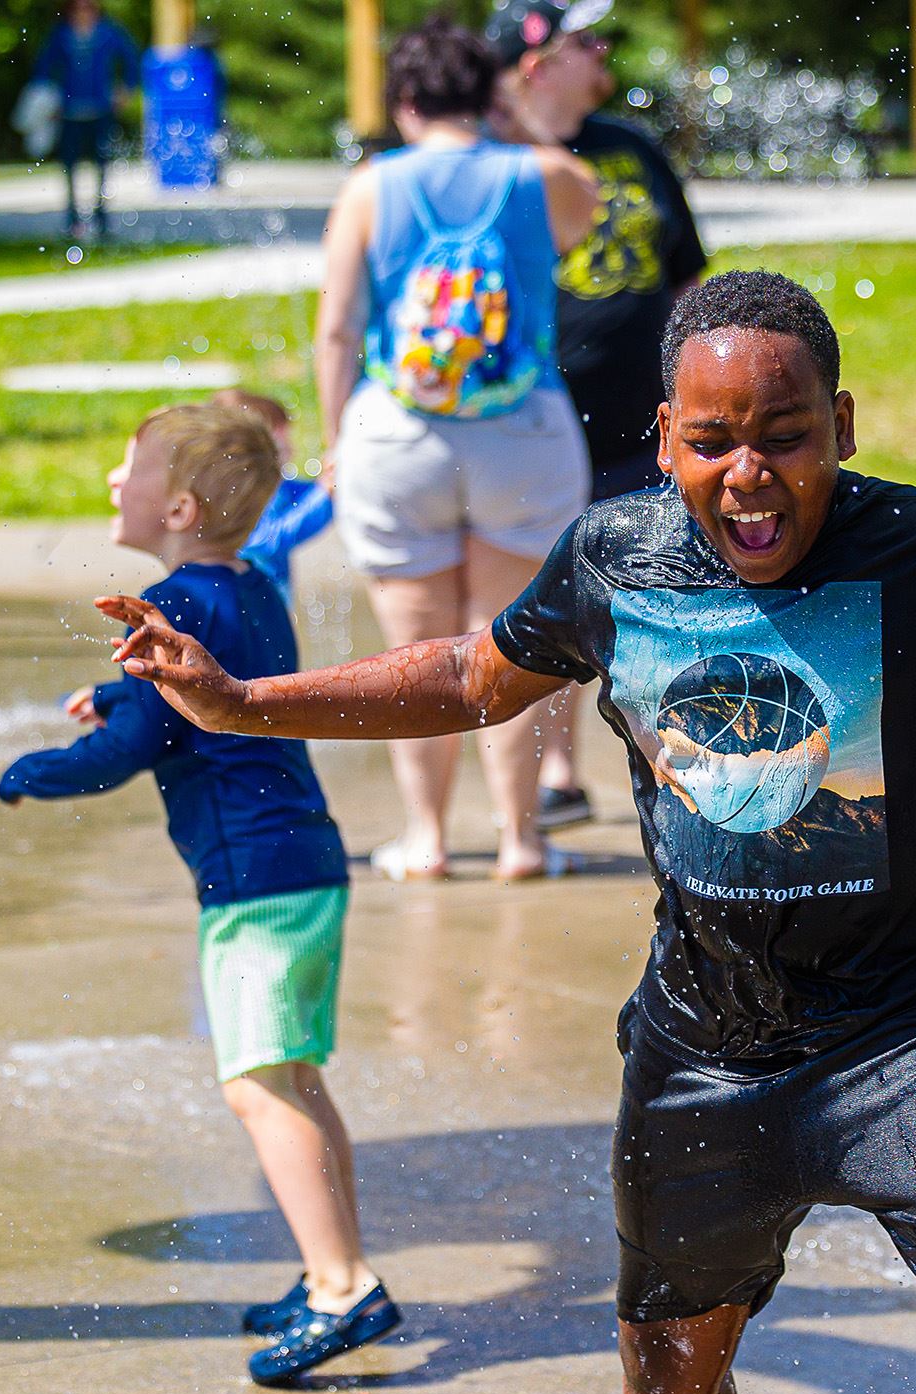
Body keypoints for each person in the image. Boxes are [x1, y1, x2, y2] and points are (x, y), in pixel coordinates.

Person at [95, 269, 916, 1394]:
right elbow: (472, 676)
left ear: (840, 429)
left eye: (785, 438)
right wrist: (244, 704)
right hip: (705, 1044)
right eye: (711, 442)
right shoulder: (613, 556)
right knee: (664, 1373)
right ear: (664, 440)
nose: (749, 473)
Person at [0, 404, 395, 1387]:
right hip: (298, 862)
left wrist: (35, 770)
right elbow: (201, 701)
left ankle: (346, 1286)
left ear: (175, 504)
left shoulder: (174, 601)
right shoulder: (243, 588)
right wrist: (128, 693)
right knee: (291, 1075)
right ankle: (324, 1268)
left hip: (255, 884)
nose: (108, 484)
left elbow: (132, 752)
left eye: (124, 469)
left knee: (260, 1082)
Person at [313, 19, 598, 883]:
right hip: (523, 434)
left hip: (400, 435)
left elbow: (336, 329)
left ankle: (428, 839)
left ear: (404, 102)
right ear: (491, 94)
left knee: (416, 648)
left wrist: (335, 443)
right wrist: (522, 125)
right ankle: (522, 839)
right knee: (510, 645)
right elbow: (581, 217)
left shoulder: (370, 187)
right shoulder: (544, 176)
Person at [489, 0, 711, 834]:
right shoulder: (496, 159)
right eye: (587, 41)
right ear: (536, 62)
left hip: (636, 420)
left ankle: (684, 757)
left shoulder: (631, 149)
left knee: (660, 589)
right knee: (540, 601)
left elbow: (686, 274)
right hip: (527, 425)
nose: (605, 53)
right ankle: (555, 773)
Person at [30, 0, 142, 241]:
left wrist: (126, 90)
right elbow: (43, 68)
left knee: (101, 166)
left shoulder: (108, 32)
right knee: (69, 166)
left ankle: (101, 219)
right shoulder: (61, 35)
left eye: (88, 7)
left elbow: (131, 58)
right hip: (69, 111)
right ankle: (72, 220)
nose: (83, 12)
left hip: (100, 110)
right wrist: (47, 99)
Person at [209, 388, 333, 598]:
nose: (291, 451)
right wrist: (325, 493)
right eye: (281, 446)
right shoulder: (235, 496)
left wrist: (334, 484)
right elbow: (269, 541)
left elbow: (303, 494)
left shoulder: (275, 485)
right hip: (243, 601)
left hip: (272, 597)